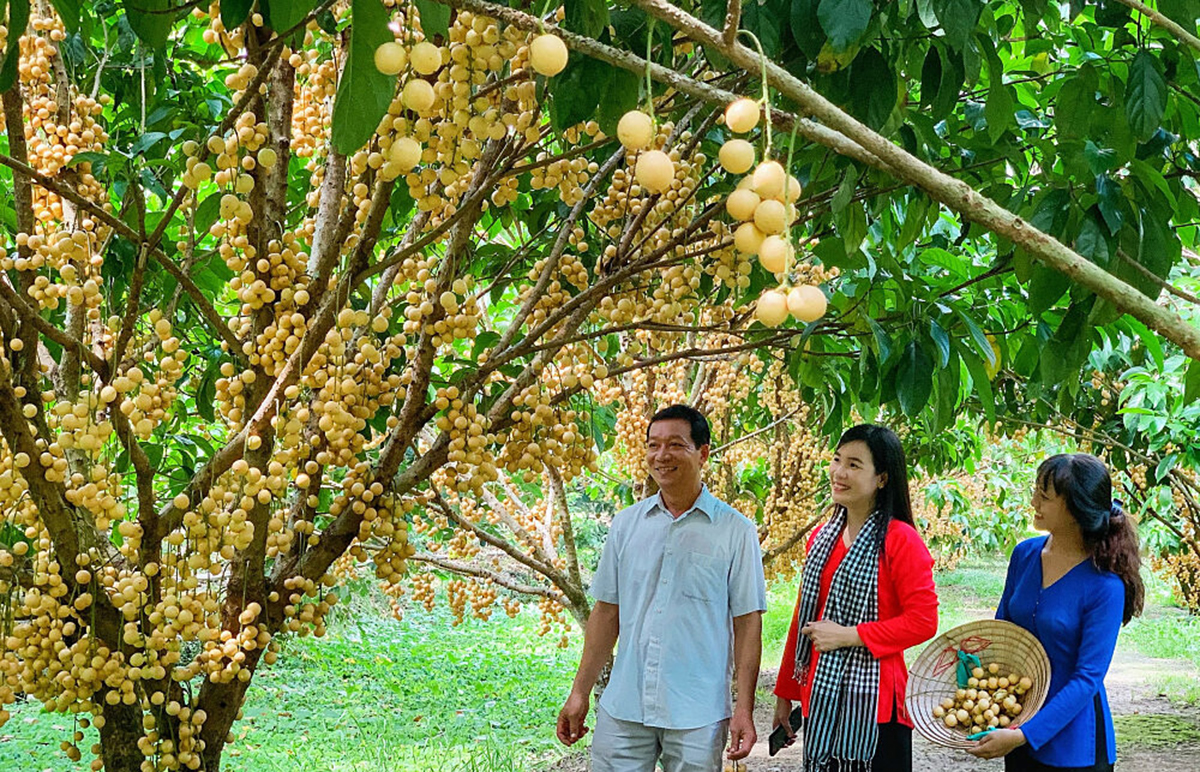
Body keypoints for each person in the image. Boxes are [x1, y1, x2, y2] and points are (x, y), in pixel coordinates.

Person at [555, 404, 767, 771]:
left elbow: (747, 623)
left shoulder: (735, 531)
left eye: (675, 445)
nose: (661, 455)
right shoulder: (626, 525)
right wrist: (579, 692)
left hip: (697, 711)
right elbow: (607, 613)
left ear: (702, 453)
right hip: (626, 705)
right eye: (653, 445)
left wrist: (744, 709)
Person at [773, 423, 938, 771]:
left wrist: (850, 635)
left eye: (854, 464)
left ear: (882, 478)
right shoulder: (822, 537)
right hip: (821, 695)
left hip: (876, 705)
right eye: (836, 460)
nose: (839, 472)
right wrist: (785, 693)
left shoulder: (900, 540)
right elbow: (803, 619)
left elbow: (923, 622)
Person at [968, 453, 1144, 770]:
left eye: (1044, 496)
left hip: (1074, 744)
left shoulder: (1105, 586)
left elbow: (1087, 678)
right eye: (1036, 490)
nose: (1033, 500)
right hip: (1016, 715)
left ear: (1076, 510)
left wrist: (1024, 734)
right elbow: (1003, 630)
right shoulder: (1025, 554)